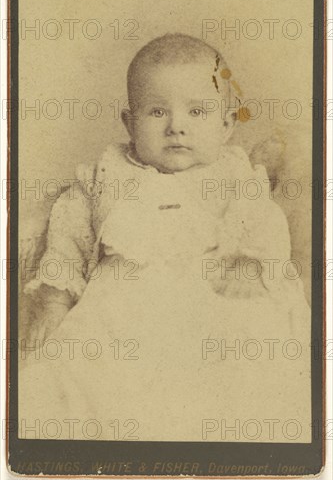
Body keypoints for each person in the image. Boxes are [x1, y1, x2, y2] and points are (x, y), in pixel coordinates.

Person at [19, 34, 311, 442]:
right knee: (76, 369)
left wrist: (251, 260)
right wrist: (54, 298)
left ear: (226, 125)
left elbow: (264, 219)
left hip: (212, 286)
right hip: (124, 302)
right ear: (130, 122)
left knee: (248, 352)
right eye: (157, 111)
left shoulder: (235, 174)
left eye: (197, 111)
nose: (176, 126)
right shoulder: (108, 174)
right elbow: (69, 231)